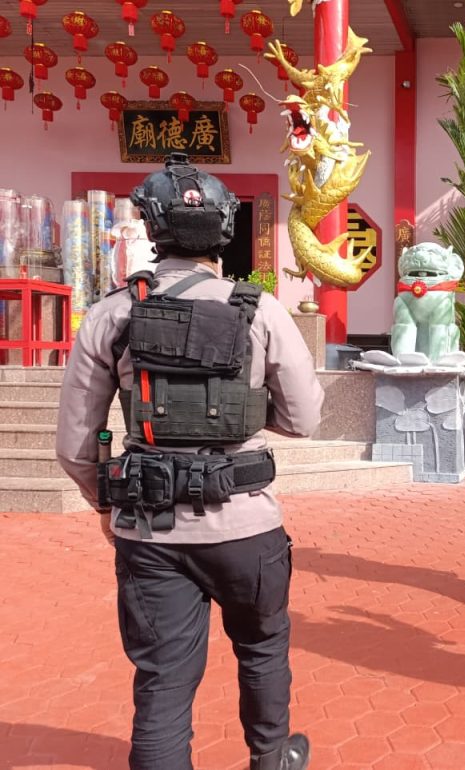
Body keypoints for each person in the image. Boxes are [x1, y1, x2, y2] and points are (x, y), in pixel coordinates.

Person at [56, 153, 324, 770]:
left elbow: (76, 443)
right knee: (261, 649)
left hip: (148, 530)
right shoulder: (262, 309)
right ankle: (271, 758)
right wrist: (249, 416)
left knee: (163, 681)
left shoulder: (111, 313)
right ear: (226, 229)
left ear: (152, 228)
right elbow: (305, 418)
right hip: (246, 528)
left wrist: (106, 501)